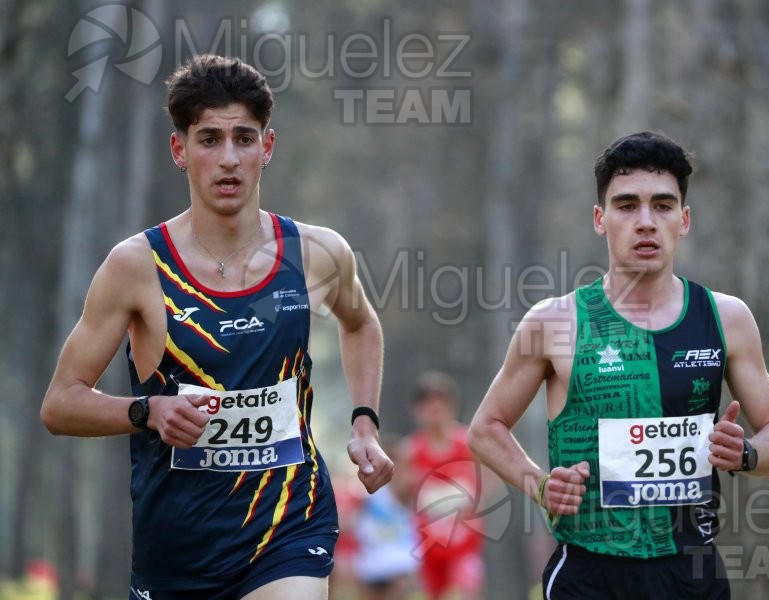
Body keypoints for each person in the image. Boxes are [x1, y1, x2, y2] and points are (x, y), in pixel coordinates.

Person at [40, 54, 393, 600]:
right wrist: (147, 411)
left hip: (289, 525)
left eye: (244, 138)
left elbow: (361, 324)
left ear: (267, 148)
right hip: (178, 547)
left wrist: (365, 422)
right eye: (209, 139)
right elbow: (60, 404)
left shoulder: (317, 253)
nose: (228, 158)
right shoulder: (136, 267)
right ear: (180, 150)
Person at [467, 131, 769, 599]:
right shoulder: (555, 321)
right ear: (600, 220)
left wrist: (745, 453)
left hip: (691, 570)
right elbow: (485, 428)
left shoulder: (726, 318)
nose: (646, 222)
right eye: (627, 206)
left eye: (662, 206)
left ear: (684, 220)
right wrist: (540, 485)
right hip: (590, 573)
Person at [401, 372, 485, 600]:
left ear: (452, 406)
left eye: (440, 403)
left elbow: (485, 486)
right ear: (417, 410)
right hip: (425, 546)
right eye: (427, 404)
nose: (434, 410)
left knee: (468, 589)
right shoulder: (409, 451)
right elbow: (403, 497)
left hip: (464, 543)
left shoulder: (469, 443)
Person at [351, 435, 420, 600]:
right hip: (372, 559)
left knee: (399, 585)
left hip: (400, 559)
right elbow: (353, 521)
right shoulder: (367, 496)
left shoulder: (408, 494)